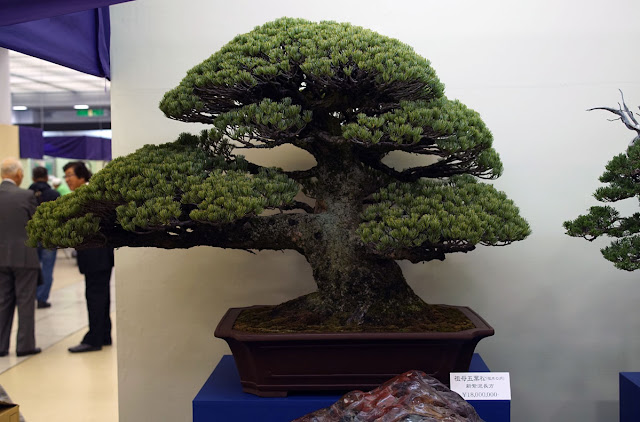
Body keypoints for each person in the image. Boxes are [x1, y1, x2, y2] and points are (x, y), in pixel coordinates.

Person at [63, 161, 114, 353]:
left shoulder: (86, 196)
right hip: (99, 255)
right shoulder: (90, 193)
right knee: (101, 296)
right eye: (65, 176)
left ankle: (94, 339)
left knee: (95, 297)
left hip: (95, 255)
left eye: (70, 175)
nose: (67, 180)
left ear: (82, 176)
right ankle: (104, 334)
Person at [0, 158, 41, 357]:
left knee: (2, 301)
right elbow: (36, 224)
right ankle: (25, 346)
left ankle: (1, 346)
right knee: (25, 301)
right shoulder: (26, 195)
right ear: (18, 175)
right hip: (24, 256)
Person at [29, 166, 61, 308]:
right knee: (47, 268)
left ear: (33, 178)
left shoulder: (27, 194)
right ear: (47, 178)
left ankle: (30, 296)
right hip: (50, 236)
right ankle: (42, 298)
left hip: (32, 236)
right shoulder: (54, 194)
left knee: (32, 268)